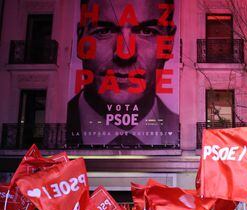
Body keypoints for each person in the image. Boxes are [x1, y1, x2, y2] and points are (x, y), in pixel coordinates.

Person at [67, 0, 179, 146]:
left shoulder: (176, 126)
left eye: (147, 31)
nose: (125, 53)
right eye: (104, 31)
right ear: (80, 38)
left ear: (170, 42)